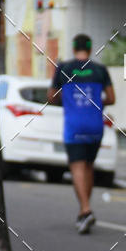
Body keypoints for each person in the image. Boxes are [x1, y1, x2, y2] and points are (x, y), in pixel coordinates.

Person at [48, 33, 115, 234]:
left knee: (77, 167)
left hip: (74, 126)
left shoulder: (64, 68)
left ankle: (85, 209)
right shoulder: (100, 70)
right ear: (90, 47)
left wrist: (68, 100)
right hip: (95, 126)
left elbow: (51, 97)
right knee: (88, 166)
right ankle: (83, 212)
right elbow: (111, 98)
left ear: (73, 48)